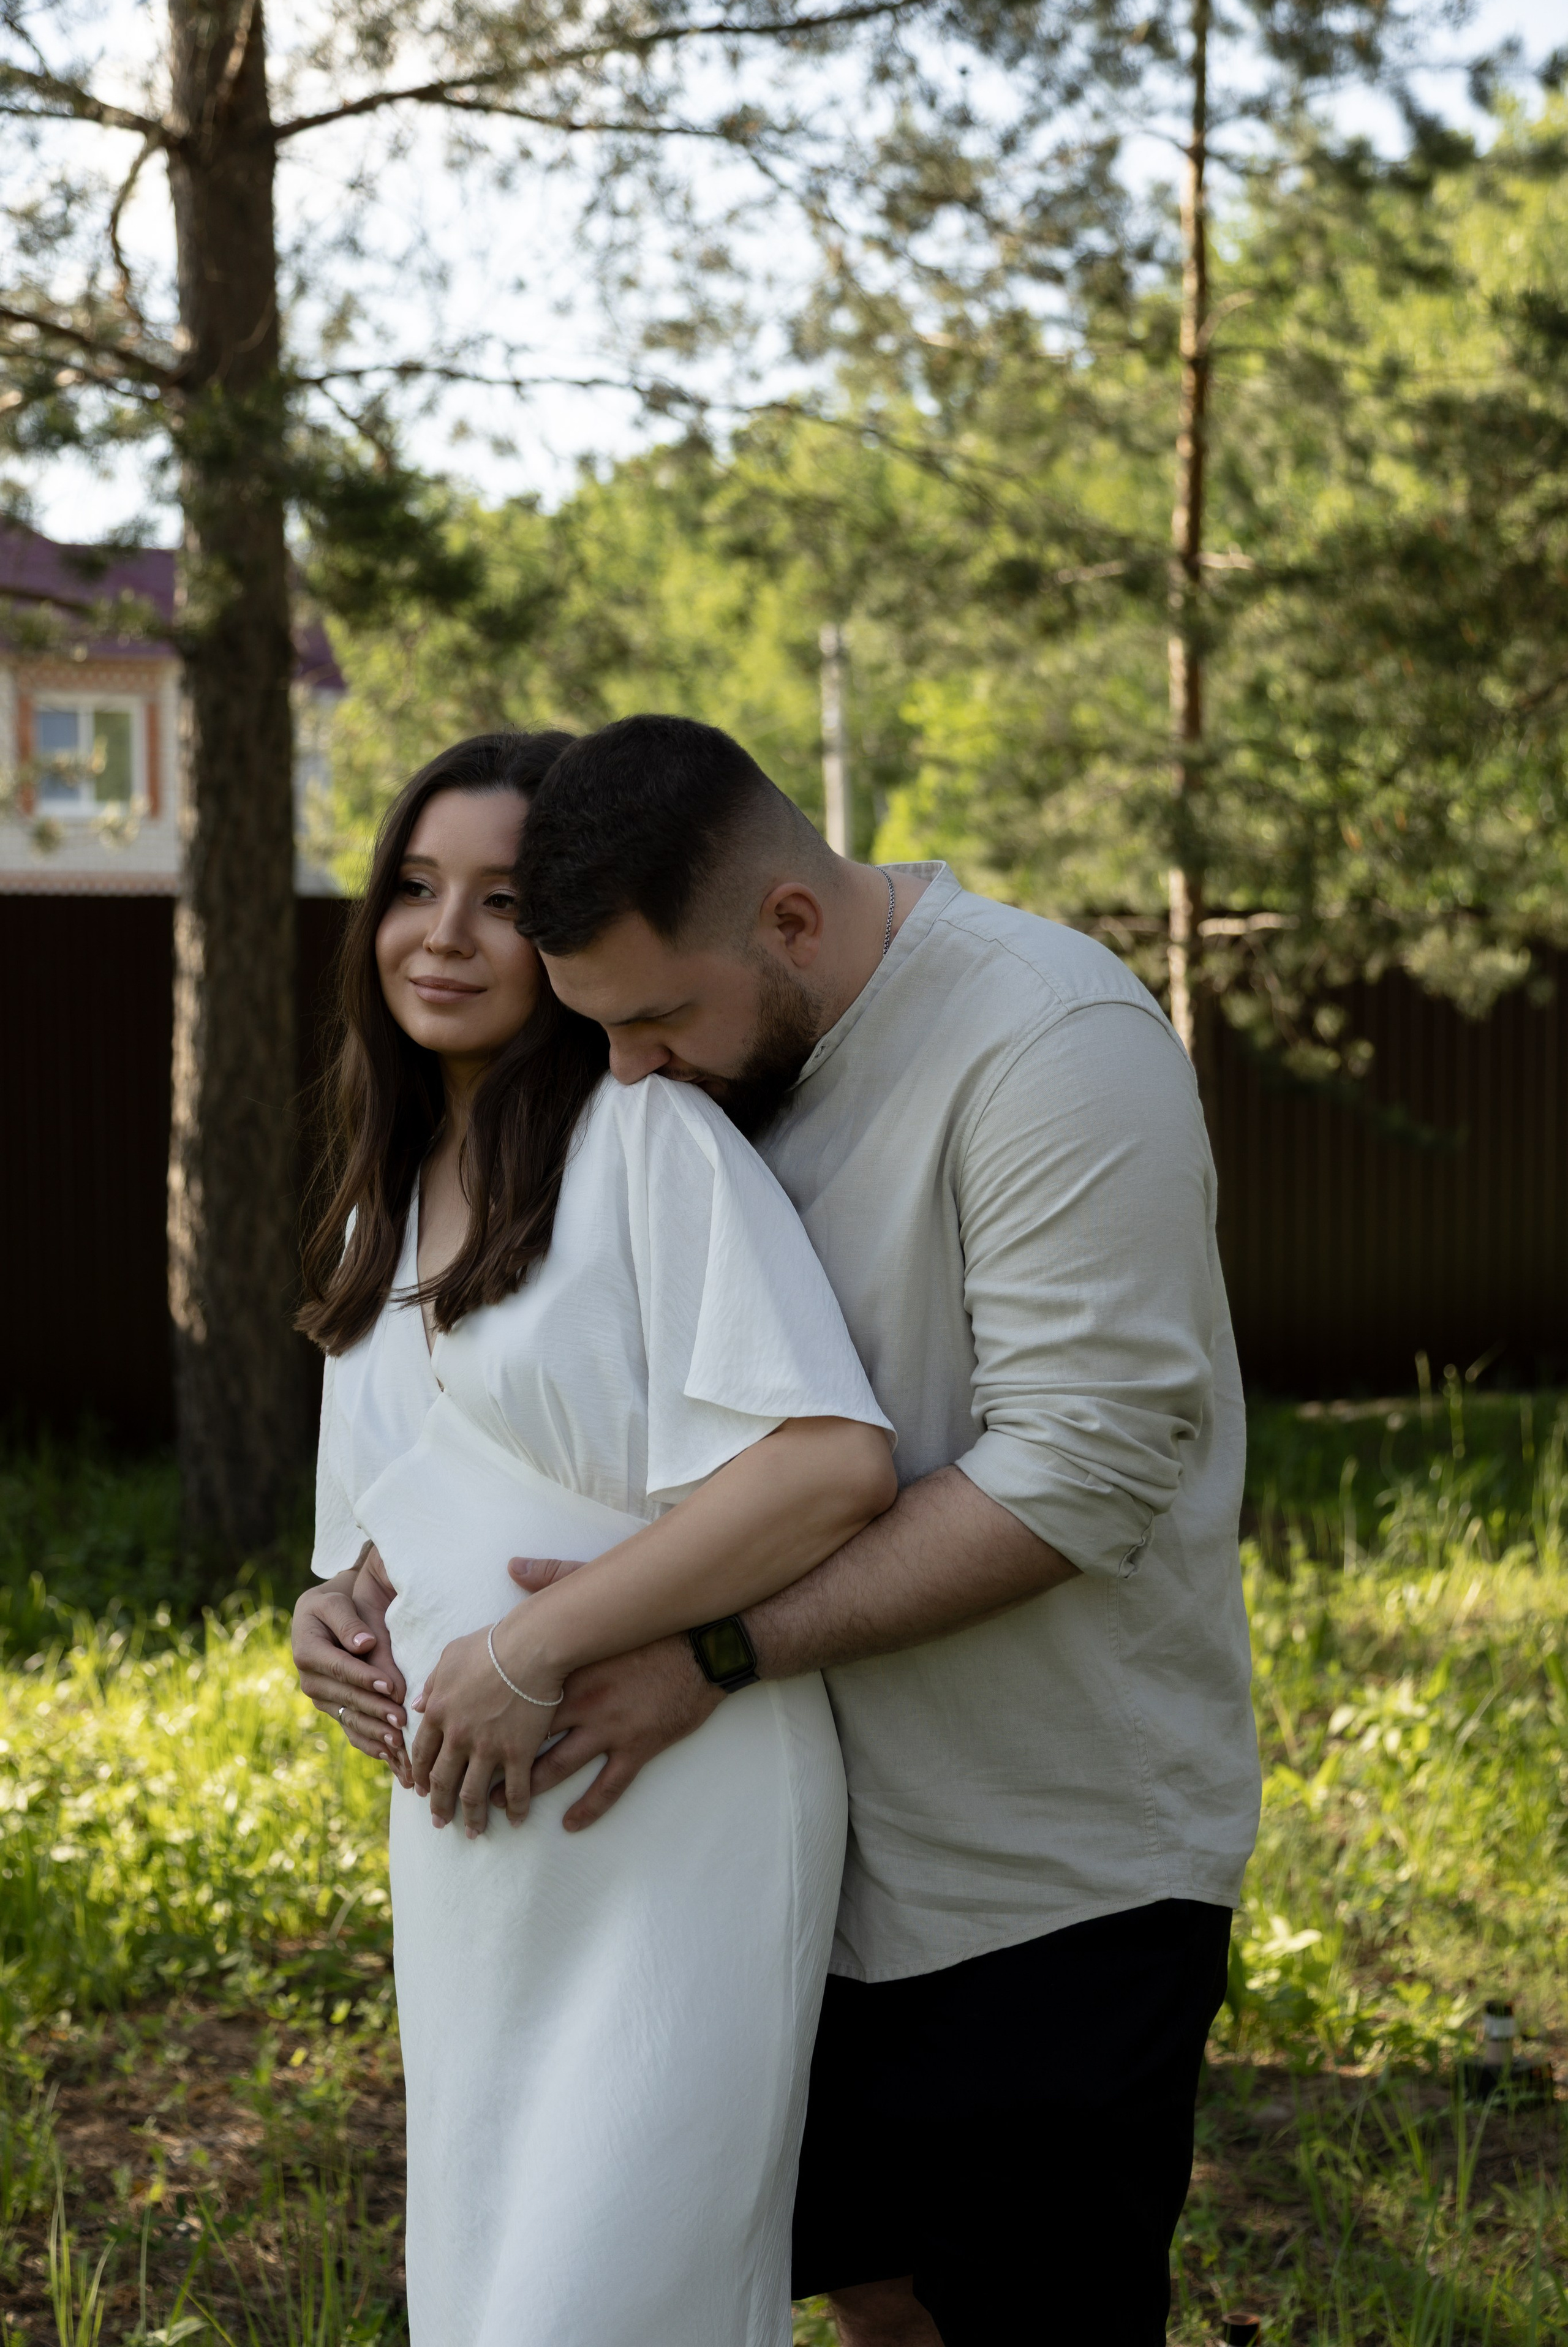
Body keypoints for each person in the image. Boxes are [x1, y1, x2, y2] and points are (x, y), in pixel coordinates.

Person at [497, 713, 1263, 2347]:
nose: (628, 1070)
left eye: (651, 1018)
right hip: (806, 1873)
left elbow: (1086, 1470)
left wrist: (717, 1648)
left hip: (1051, 1880)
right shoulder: (731, 1057)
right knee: (885, 2309)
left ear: (787, 921)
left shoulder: (1048, 1038)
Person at [289, 729, 897, 2347]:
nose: (445, 935)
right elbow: (372, 1528)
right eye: (415, 889)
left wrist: (525, 1650)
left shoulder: (646, 1147)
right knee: (491, 2285)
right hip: (475, 1835)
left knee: (614, 2291)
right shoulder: (384, 1200)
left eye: (500, 902)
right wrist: (324, 1624)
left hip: (666, 1799)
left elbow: (830, 1465)